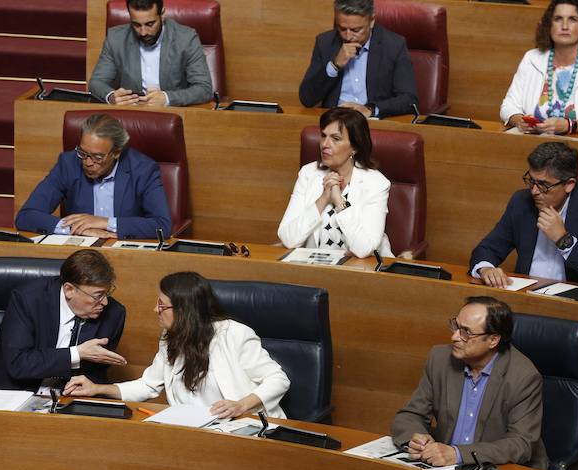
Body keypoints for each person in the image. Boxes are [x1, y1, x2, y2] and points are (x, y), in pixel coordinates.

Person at [63, 272, 290, 419]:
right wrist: (97, 389)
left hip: (241, 426)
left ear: (185, 311)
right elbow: (148, 385)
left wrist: (241, 405)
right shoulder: (170, 337)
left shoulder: (234, 334)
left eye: (162, 306)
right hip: (195, 430)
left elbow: (278, 380)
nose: (155, 310)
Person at [391, 297, 548, 470]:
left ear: (493, 340)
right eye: (456, 326)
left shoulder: (523, 376)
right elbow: (410, 415)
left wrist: (458, 454)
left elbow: (521, 443)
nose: (455, 336)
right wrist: (417, 438)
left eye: (466, 332)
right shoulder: (440, 359)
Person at [469, 141, 578, 289]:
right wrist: (486, 269)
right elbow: (487, 249)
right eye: (531, 181)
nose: (534, 191)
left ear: (569, 184)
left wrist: (564, 241)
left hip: (575, 304)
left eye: (543, 185)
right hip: (526, 297)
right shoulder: (522, 202)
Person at [0, 249, 127, 391]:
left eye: (107, 293)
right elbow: (18, 364)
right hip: (10, 390)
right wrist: (76, 354)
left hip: (66, 398)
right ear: (69, 290)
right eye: (98, 295)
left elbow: (96, 372)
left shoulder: (114, 314)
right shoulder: (28, 300)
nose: (104, 302)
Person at [15, 113, 171, 239]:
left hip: (123, 251)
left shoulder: (143, 170)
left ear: (116, 152)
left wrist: (106, 223)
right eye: (83, 153)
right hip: (79, 251)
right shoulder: (68, 164)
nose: (88, 163)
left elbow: (161, 225)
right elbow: (26, 216)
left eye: (97, 157)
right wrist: (75, 229)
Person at [278, 107, 393, 258]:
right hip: (314, 269)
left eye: (336, 139)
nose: (325, 144)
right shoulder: (308, 174)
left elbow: (364, 249)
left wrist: (339, 201)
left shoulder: (376, 183)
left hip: (363, 272)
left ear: (355, 147)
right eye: (323, 136)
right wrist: (323, 199)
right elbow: (288, 238)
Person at [500, 0, 578, 135]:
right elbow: (508, 106)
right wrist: (519, 121)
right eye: (558, 19)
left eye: (572, 19)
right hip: (532, 141)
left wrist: (570, 126)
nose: (564, 26)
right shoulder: (531, 58)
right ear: (549, 27)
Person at [298, 0, 418, 118]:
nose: (348, 36)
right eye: (342, 29)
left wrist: (370, 109)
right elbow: (307, 99)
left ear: (372, 21)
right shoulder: (325, 43)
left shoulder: (394, 45)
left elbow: (408, 99)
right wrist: (334, 66)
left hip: (373, 122)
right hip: (334, 122)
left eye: (356, 30)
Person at [88, 0, 213, 107]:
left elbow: (204, 89)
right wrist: (111, 97)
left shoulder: (186, 39)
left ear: (162, 14)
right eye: (136, 25)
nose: (143, 32)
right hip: (132, 113)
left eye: (150, 24)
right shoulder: (116, 38)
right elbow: (96, 82)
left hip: (173, 112)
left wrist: (167, 98)